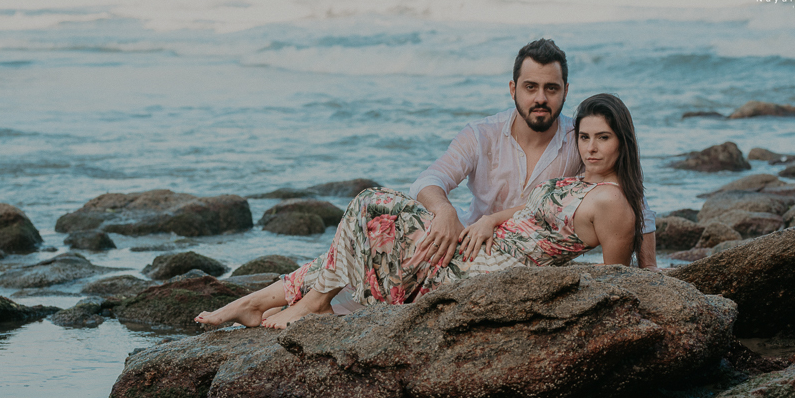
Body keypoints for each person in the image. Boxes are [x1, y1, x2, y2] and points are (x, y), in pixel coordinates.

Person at [195, 93, 644, 330]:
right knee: (373, 231)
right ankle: (256, 304)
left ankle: (311, 301)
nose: (590, 147)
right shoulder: (581, 181)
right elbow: (528, 207)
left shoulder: (612, 203)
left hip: (487, 274)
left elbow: (613, 282)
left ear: (622, 140)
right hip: (477, 246)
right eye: (585, 137)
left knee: (372, 205)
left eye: (602, 138)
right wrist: (488, 219)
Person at [409, 38, 657, 272]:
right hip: (472, 245)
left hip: (536, 262)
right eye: (531, 87)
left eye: (551, 88)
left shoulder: (581, 138)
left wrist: (650, 272)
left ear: (565, 91)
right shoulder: (482, 134)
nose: (541, 98)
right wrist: (444, 211)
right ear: (513, 89)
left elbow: (632, 202)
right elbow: (429, 180)